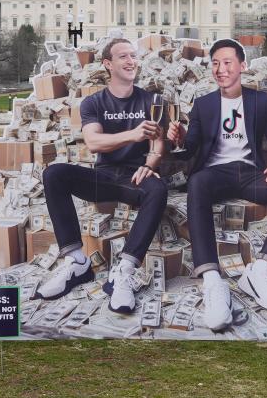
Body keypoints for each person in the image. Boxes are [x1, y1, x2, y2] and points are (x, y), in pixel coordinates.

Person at [167, 38, 267, 331]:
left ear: (242, 66)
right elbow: (190, 149)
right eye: (215, 63)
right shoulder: (203, 104)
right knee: (197, 182)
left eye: (227, 62)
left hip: (251, 174)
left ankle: (260, 270)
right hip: (215, 174)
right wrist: (180, 137)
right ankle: (212, 280)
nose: (220, 69)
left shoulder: (259, 101)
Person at [36, 38, 168, 313]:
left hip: (135, 178)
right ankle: (76, 262)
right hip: (104, 177)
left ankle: (124, 270)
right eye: (124, 56)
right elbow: (94, 142)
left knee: (158, 189)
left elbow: (158, 143)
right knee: (54, 174)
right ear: (108, 64)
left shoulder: (151, 100)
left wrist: (151, 164)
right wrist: (133, 134)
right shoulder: (93, 102)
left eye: (134, 55)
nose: (131, 61)